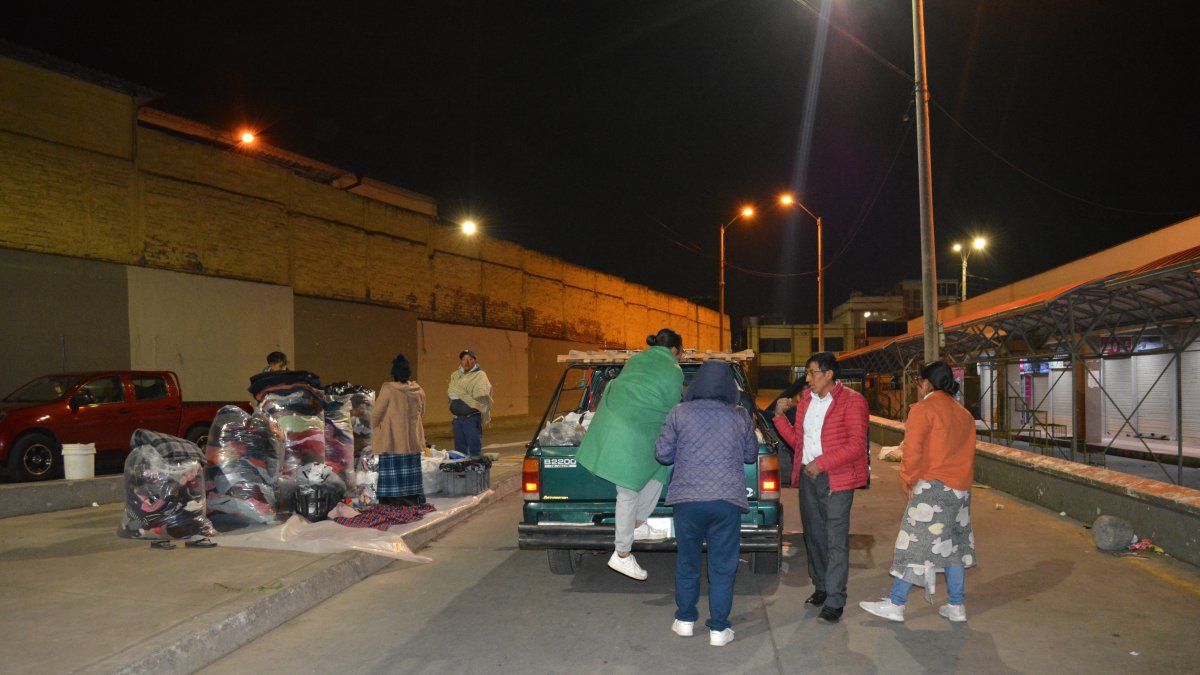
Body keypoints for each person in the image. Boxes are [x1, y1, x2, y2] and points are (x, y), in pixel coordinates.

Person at [859, 361, 977, 623]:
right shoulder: (964, 414)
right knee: (953, 546)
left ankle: (896, 603)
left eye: (918, 383)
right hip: (961, 491)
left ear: (925, 383)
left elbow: (912, 451)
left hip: (933, 488)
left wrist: (908, 480)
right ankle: (956, 605)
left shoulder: (924, 410)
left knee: (912, 545)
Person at [655, 360, 758, 647]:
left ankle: (685, 620)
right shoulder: (739, 416)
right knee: (722, 566)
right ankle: (719, 629)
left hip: (687, 501)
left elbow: (663, 454)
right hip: (726, 501)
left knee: (687, 562)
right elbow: (750, 455)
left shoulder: (679, 412)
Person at [577, 328, 684, 581]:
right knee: (628, 489)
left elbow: (640, 396)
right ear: (674, 350)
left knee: (659, 468)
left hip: (621, 423)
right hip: (629, 432)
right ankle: (622, 554)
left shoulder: (636, 359)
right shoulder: (673, 370)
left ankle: (638, 525)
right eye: (681, 354)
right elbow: (672, 410)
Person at [772, 351, 869, 624]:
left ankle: (836, 600)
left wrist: (822, 464)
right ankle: (821, 587)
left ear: (829, 374)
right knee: (814, 536)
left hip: (836, 479)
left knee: (835, 540)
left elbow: (856, 444)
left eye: (813, 372)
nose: (809, 378)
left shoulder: (852, 402)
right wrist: (781, 419)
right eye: (807, 372)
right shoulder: (805, 402)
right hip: (808, 477)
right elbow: (799, 443)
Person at [372, 354, 428, 506]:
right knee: (411, 472)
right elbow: (422, 413)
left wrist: (375, 429)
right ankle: (412, 499)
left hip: (393, 441)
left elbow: (376, 414)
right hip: (412, 441)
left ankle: (393, 500)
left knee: (393, 472)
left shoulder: (388, 389)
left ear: (394, 374)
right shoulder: (418, 390)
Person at [447, 349, 492, 458]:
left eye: (470, 359)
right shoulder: (455, 375)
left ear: (475, 361)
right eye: (464, 359)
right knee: (459, 452)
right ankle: (462, 474)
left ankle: (474, 472)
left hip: (471, 418)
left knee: (474, 450)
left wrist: (460, 393)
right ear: (460, 362)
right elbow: (451, 392)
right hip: (457, 419)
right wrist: (465, 391)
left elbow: (481, 393)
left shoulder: (480, 375)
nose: (466, 362)